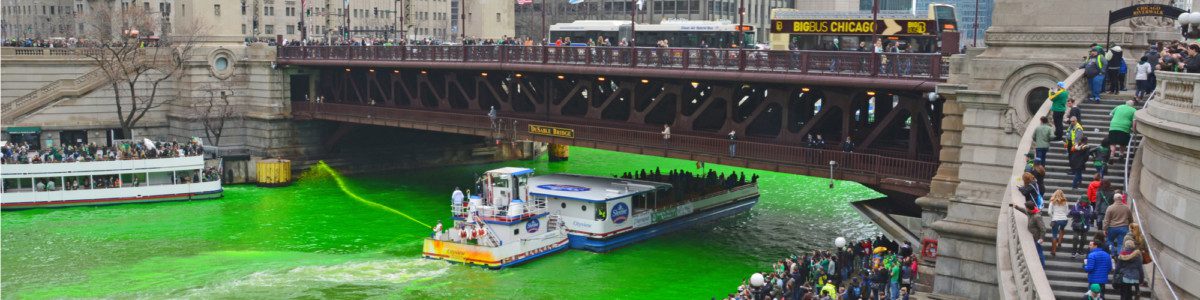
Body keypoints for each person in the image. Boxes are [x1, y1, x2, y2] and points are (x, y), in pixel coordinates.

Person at [1104, 193, 1133, 257]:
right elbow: (1131, 219)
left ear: (1114, 199)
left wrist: (1105, 229)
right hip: (1124, 227)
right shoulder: (1126, 208)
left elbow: (1106, 220)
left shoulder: (1110, 208)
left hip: (1112, 228)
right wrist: (1130, 225)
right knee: (1121, 243)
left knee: (1110, 241)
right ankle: (1120, 256)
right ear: (1121, 199)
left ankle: (1112, 254)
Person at [1047, 190, 1070, 256]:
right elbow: (1067, 212)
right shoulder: (1065, 202)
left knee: (1054, 235)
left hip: (1056, 219)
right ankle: (1059, 242)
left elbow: (1049, 212)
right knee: (1062, 229)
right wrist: (1063, 215)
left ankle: (1053, 250)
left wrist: (1053, 217)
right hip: (1064, 219)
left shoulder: (1052, 202)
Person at [1025, 201, 1047, 266]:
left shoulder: (1037, 217)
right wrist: (1016, 207)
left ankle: (1042, 266)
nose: (1025, 209)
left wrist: (1041, 238)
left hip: (1036, 237)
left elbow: (1043, 228)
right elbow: (1024, 211)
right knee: (1037, 251)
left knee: (1039, 252)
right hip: (1033, 236)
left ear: (1029, 209)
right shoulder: (1030, 213)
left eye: (1026, 208)